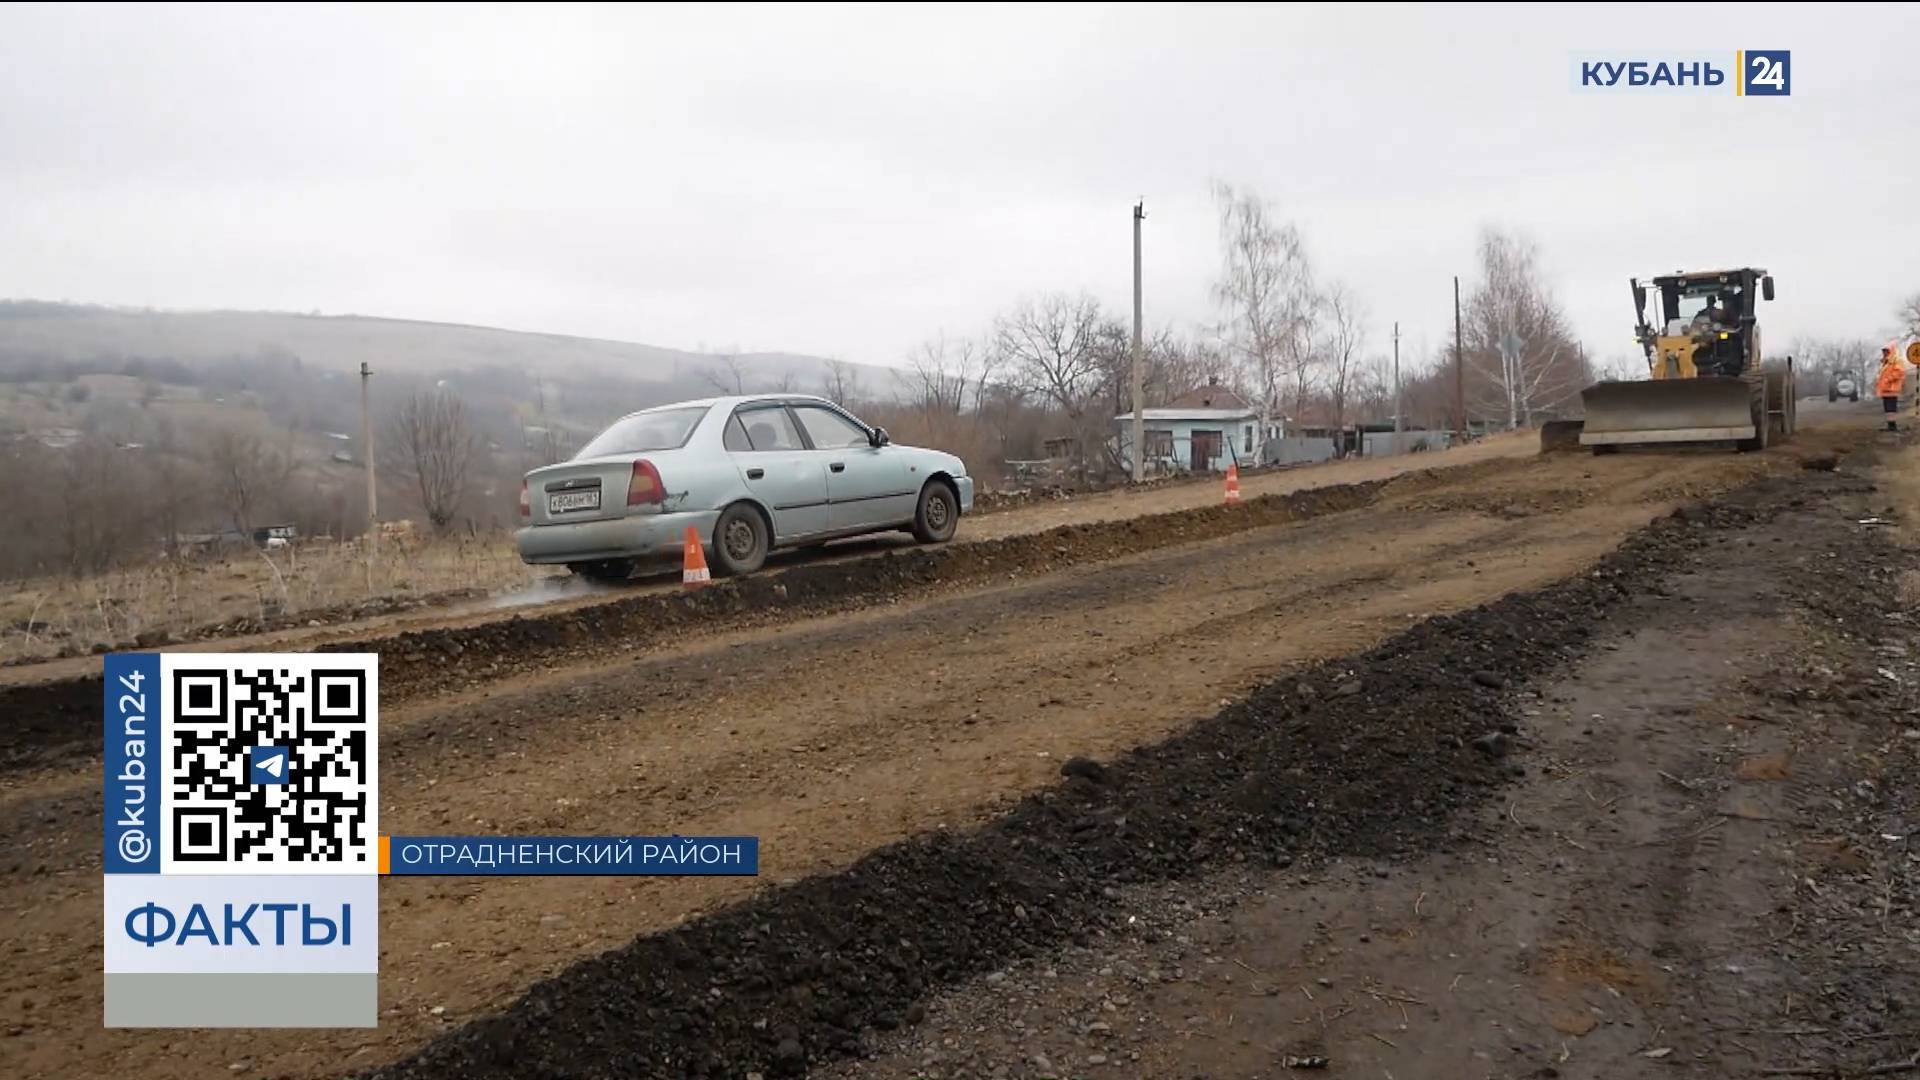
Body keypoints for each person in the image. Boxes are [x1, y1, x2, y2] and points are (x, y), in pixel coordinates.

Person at [1877, 347, 1905, 432]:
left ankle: (1892, 425)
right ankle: (1890, 424)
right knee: (1887, 408)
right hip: (1886, 389)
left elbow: (1900, 372)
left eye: (1886, 351)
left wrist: (1888, 379)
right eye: (1883, 351)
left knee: (1891, 407)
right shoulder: (1885, 362)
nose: (1884, 353)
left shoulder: (1896, 361)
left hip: (1891, 388)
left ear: (1891, 352)